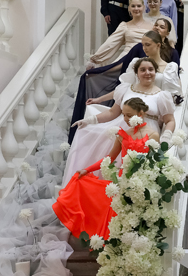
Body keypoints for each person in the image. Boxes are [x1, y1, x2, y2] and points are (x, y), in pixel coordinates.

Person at [54, 97, 159, 240]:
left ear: (140, 114)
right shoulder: (123, 134)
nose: (125, 119)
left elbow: (155, 163)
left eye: (129, 115)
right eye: (123, 115)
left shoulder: (153, 135)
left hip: (141, 183)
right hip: (122, 181)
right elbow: (109, 158)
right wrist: (87, 170)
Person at [64, 57, 176, 186]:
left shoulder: (162, 95)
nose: (147, 73)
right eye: (143, 70)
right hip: (124, 128)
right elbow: (112, 112)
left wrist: (166, 137)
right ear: (136, 73)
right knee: (114, 162)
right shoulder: (126, 89)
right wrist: (90, 120)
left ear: (155, 72)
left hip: (147, 133)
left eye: (151, 69)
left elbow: (170, 120)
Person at [69, 22, 178, 143]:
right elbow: (124, 90)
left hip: (152, 115)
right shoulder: (136, 64)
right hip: (128, 117)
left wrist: (166, 132)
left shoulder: (169, 69)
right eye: (143, 45)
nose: (144, 48)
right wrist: (99, 100)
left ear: (158, 45)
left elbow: (172, 99)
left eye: (148, 45)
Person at [89, 0, 153, 67]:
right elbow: (110, 43)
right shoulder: (124, 26)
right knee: (105, 71)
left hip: (146, 59)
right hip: (126, 58)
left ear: (143, 7)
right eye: (133, 6)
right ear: (129, 8)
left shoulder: (152, 26)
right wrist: (94, 59)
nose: (136, 8)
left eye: (139, 6)